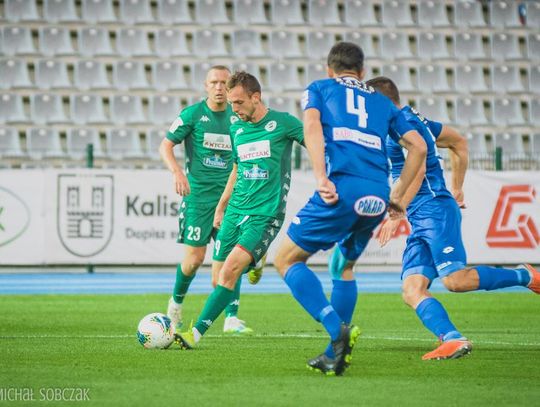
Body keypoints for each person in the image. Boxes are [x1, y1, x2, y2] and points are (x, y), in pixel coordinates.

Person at [273, 42, 428, 376]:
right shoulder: (382, 101)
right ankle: (334, 356)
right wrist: (397, 196)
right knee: (342, 266)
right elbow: (418, 146)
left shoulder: (320, 88)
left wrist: (319, 176)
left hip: (342, 187)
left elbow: (312, 127)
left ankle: (336, 328)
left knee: (285, 259)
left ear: (330, 69)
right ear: (362, 71)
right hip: (375, 195)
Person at [362, 76, 540, 360]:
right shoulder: (409, 120)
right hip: (423, 216)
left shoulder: (400, 125)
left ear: (380, 102)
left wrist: (397, 211)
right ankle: (453, 339)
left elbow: (418, 171)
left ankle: (525, 275)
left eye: (367, 103)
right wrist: (457, 186)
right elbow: (458, 141)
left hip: (433, 210)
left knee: (456, 281)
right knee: (411, 289)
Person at [175, 71, 304, 349]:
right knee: (219, 278)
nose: (233, 109)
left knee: (231, 270)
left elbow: (318, 144)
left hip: (264, 212)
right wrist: (221, 208)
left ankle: (193, 334)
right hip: (234, 210)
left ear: (255, 98)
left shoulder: (284, 124)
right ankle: (256, 260)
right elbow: (236, 169)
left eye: (238, 103)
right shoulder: (237, 128)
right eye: (231, 104)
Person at [160, 65, 262, 335]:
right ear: (206, 86)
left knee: (232, 257)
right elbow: (165, 145)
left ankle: (232, 318)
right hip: (198, 199)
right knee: (194, 259)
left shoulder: (238, 114)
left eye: (223, 83)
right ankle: (176, 304)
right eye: (214, 82)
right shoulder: (192, 115)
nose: (219, 87)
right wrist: (177, 172)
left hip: (232, 199)